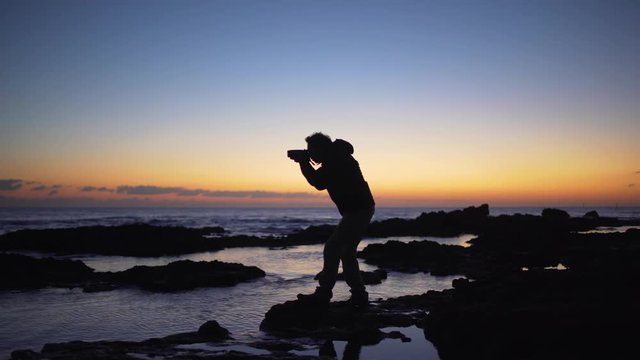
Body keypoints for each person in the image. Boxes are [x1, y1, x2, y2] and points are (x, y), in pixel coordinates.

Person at [288, 132, 375, 307]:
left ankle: (324, 293)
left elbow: (318, 182)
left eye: (311, 150)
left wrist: (303, 162)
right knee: (347, 253)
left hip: (358, 210)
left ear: (321, 149)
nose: (309, 153)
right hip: (359, 209)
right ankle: (359, 294)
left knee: (332, 248)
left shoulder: (337, 160)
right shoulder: (336, 157)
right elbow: (320, 181)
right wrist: (305, 161)